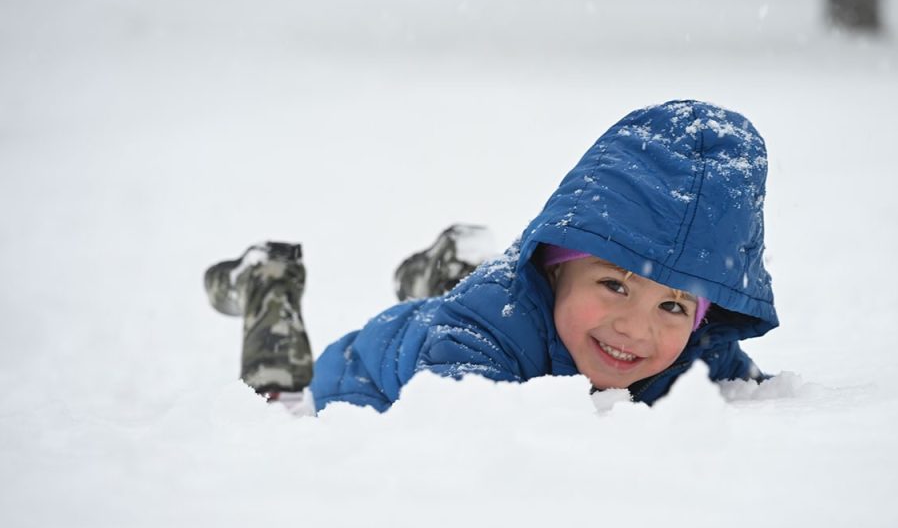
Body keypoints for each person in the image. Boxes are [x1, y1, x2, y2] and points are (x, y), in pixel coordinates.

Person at [205, 99, 778, 413]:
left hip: (473, 310)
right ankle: (268, 284)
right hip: (360, 375)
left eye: (674, 308)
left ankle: (452, 264)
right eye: (616, 285)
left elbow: (754, 392)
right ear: (554, 266)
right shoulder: (474, 338)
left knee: (471, 300)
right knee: (276, 397)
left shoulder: (694, 353)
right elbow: (466, 440)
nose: (636, 328)